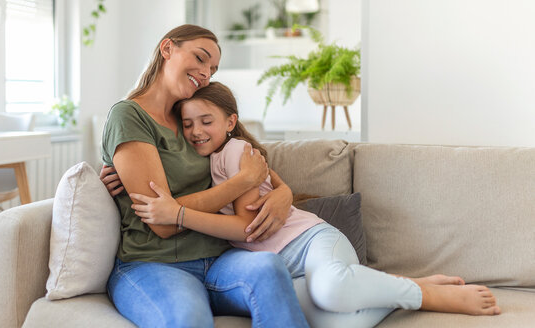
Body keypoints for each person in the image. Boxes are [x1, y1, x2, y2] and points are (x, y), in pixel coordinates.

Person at [127, 82, 502, 328]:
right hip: (285, 268)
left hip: (309, 242)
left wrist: (179, 215)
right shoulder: (202, 162)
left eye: (205, 121)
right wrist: (116, 173)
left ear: (231, 122)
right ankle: (403, 285)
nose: (195, 132)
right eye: (187, 124)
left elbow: (246, 227)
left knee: (332, 291)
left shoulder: (237, 152)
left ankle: (427, 294)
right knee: (340, 324)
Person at [101, 24, 309, 328]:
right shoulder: (128, 116)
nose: (206, 73)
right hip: (153, 264)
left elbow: (245, 160)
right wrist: (242, 182)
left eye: (212, 69)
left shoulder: (190, 119)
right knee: (188, 318)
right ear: (167, 49)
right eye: (200, 58)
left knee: (269, 268)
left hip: (220, 258)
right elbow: (162, 223)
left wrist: (283, 191)